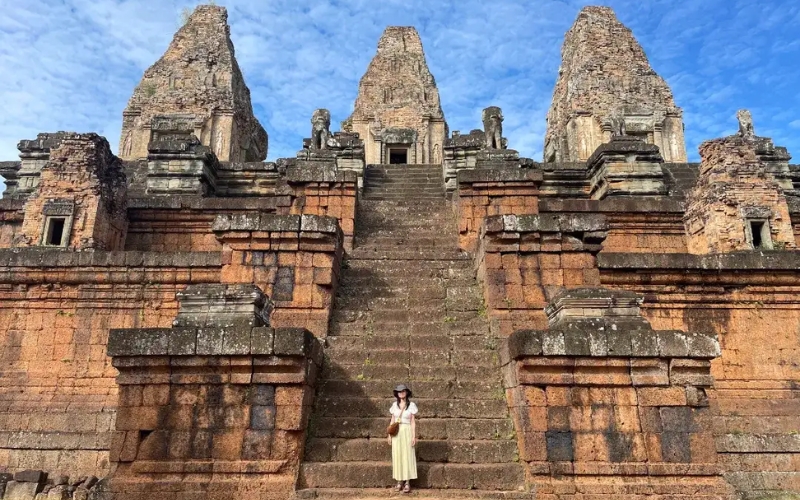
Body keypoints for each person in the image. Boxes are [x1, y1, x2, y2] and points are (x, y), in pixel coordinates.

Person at [387, 383, 418, 493]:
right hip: (396, 433)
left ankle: (407, 482)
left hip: (407, 431)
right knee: (398, 455)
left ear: (407, 392)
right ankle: (399, 481)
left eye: (403, 391)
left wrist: (413, 436)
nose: (401, 393)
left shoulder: (411, 405)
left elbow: (413, 422)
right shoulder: (394, 405)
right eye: (399, 391)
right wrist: (389, 435)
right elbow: (392, 420)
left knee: (407, 455)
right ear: (397, 394)